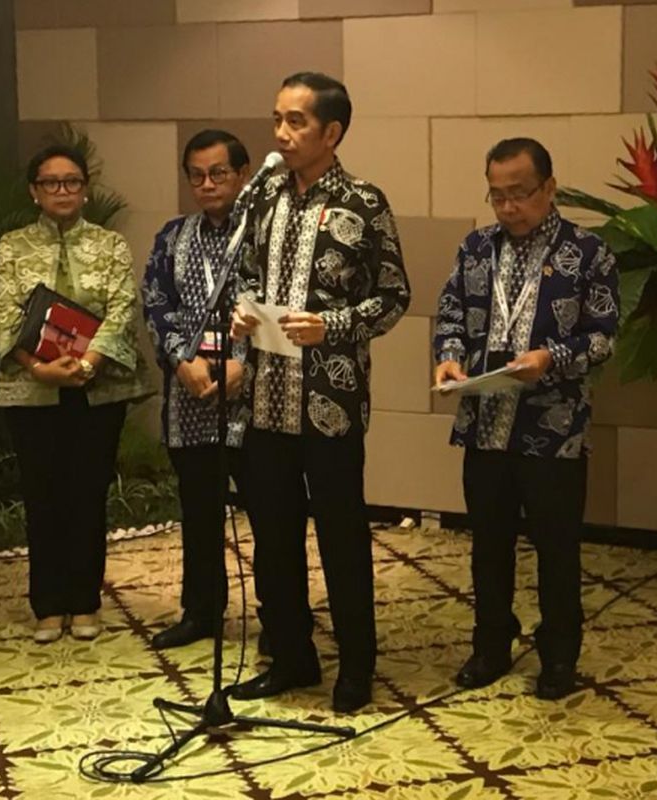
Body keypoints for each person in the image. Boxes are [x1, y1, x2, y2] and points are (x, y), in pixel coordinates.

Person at [230, 72, 410, 713]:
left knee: (340, 535)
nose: (281, 133)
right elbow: (242, 277)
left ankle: (356, 666)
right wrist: (242, 312)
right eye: (277, 118)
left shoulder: (364, 201)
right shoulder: (263, 199)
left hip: (329, 403)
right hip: (265, 398)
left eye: (297, 122)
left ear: (332, 132)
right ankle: (292, 656)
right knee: (273, 537)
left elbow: (394, 298)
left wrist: (330, 324)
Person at [432, 138, 618, 700]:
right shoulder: (476, 248)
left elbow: (605, 336)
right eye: (497, 195)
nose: (508, 207)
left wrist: (552, 358)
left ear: (549, 188)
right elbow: (449, 315)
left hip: (553, 428)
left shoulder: (588, 253)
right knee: (488, 543)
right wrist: (447, 355)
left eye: (520, 193)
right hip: (485, 421)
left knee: (557, 547)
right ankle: (492, 643)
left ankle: (559, 655)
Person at [0, 144, 155, 644]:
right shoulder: (11, 247)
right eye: (51, 183)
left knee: (87, 494)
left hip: (96, 390)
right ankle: (47, 604)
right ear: (34, 192)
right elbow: (0, 314)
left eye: (72, 182)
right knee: (43, 497)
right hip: (31, 390)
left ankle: (84, 602)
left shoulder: (109, 246)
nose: (63, 191)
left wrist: (86, 363)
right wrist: (39, 368)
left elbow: (123, 308)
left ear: (85, 190)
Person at [142, 129, 253, 650]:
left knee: (270, 514)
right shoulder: (172, 236)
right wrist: (180, 358)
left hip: (254, 399)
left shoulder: (262, 234)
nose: (207, 185)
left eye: (218, 173)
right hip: (190, 395)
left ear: (243, 174)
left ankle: (277, 617)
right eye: (197, 176)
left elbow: (276, 307)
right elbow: (156, 302)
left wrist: (243, 364)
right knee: (200, 512)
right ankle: (201, 611)